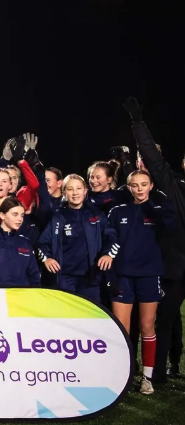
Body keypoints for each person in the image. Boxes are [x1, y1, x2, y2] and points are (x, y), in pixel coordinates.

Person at [124, 97, 185, 383]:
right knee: (165, 321)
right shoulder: (172, 185)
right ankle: (157, 374)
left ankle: (170, 364)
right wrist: (137, 122)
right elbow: (152, 157)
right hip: (175, 268)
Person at [108, 170, 175, 395]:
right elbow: (110, 239)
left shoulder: (158, 211)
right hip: (123, 275)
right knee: (122, 329)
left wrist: (161, 201)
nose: (139, 189)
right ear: (128, 187)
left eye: (144, 184)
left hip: (149, 275)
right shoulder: (118, 212)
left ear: (151, 186)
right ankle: (123, 377)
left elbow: (173, 223)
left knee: (147, 326)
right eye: (135, 185)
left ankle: (147, 378)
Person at [36, 175, 118, 302]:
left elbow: (112, 237)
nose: (75, 193)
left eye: (78, 188)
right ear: (64, 192)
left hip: (91, 277)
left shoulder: (96, 215)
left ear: (85, 191)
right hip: (64, 278)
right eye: (70, 189)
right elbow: (42, 243)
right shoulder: (57, 216)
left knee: (90, 318)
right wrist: (47, 258)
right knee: (66, 318)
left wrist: (108, 254)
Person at [0, 198, 41, 286]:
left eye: (22, 215)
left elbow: (34, 276)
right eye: (15, 214)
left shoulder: (25, 242)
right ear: (2, 215)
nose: (20, 219)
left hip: (21, 297)